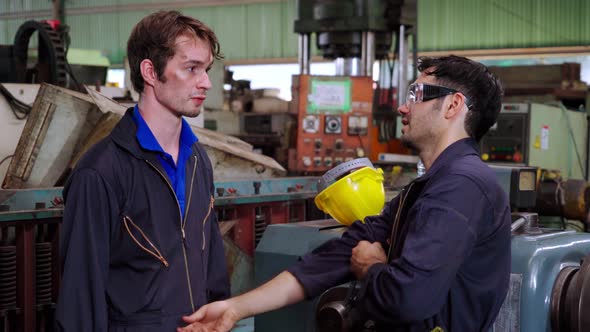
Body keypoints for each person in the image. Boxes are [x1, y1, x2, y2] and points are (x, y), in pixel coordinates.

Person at [179, 55, 509, 332]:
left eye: (417, 93)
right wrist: (236, 308)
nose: (403, 108)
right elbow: (332, 260)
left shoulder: (461, 186)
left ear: (453, 106)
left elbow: (408, 298)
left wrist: (372, 269)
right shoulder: (428, 188)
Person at [55, 10, 230, 331]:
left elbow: (214, 265)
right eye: (191, 68)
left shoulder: (197, 159)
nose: (205, 82)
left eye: (206, 69)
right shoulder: (101, 172)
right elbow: (80, 300)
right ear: (150, 71)